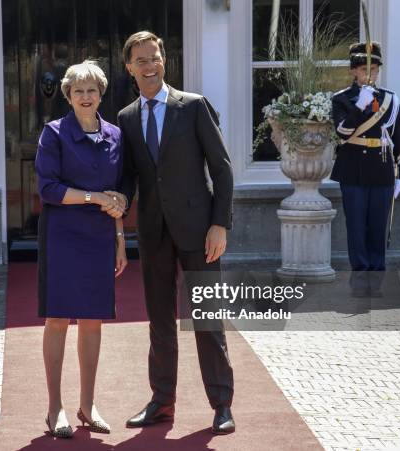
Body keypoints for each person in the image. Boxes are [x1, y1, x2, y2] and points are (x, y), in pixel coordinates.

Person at [117, 31, 236, 435]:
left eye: (155, 58)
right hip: (153, 234)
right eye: (140, 60)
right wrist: (112, 210)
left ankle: (221, 404)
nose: (149, 66)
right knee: (160, 322)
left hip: (201, 231)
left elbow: (221, 168)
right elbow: (128, 179)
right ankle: (161, 401)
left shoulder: (194, 106)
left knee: (207, 319)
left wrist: (220, 224)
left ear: (164, 60)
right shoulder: (127, 118)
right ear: (129, 67)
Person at [35, 60, 127, 438]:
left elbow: (118, 193)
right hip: (62, 234)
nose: (86, 97)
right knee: (58, 319)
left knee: (92, 321)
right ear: (68, 96)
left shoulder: (116, 136)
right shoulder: (53, 134)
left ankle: (87, 406)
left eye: (92, 91)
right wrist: (93, 197)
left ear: (100, 94)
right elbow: (49, 190)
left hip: (101, 237)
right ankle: (54, 407)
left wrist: (121, 240)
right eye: (78, 91)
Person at [330, 42, 400, 295]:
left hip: (383, 168)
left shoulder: (391, 99)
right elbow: (342, 133)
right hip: (353, 170)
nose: (370, 75)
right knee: (356, 228)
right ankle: (360, 280)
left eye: (374, 69)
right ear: (354, 71)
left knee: (377, 227)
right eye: (365, 69)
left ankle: (376, 281)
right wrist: (360, 106)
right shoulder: (341, 99)